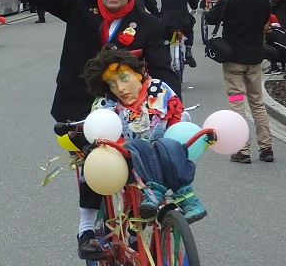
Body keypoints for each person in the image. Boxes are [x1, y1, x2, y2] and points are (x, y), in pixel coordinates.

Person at [0, 0, 175, 261]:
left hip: (127, 108)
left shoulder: (148, 24)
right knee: (96, 163)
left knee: (142, 162)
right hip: (77, 107)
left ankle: (136, 225)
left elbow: (164, 71)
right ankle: (87, 228)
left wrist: (170, 104)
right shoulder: (81, 6)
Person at [82, 48, 207, 222]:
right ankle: (153, 193)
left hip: (165, 155)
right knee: (139, 146)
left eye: (124, 78)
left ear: (139, 73)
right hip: (129, 161)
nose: (120, 88)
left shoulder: (159, 89)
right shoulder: (106, 104)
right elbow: (109, 134)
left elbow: (174, 122)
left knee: (170, 144)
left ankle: (187, 197)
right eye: (111, 84)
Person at [205, 0, 274, 164]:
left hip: (234, 59)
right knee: (257, 102)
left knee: (237, 102)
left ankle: (243, 149)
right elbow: (263, 21)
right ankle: (266, 146)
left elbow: (210, 18)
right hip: (254, 58)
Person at [149, 0, 198, 66]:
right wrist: (194, 8)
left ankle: (165, 58)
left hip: (166, 20)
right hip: (183, 21)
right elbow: (193, 3)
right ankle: (188, 51)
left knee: (164, 38)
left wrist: (155, 9)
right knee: (190, 31)